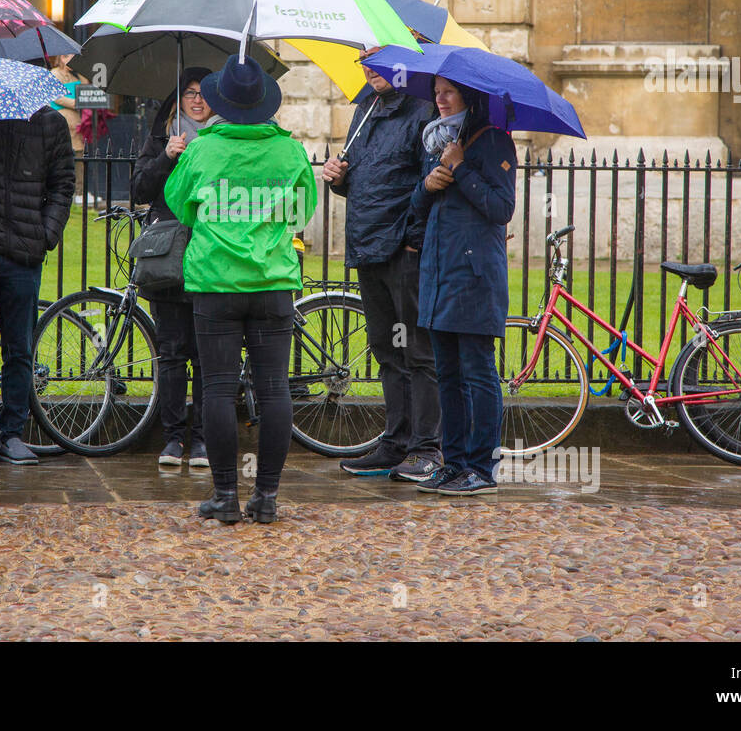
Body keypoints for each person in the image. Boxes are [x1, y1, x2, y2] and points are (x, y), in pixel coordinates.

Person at [164, 55, 318, 524]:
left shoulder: (202, 150)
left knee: (217, 389)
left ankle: (226, 495)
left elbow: (179, 204)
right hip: (272, 283)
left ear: (220, 103)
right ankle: (266, 496)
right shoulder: (289, 152)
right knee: (274, 391)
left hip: (216, 283)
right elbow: (301, 211)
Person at [322, 50, 442, 482]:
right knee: (387, 351)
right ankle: (395, 441)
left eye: (376, 60)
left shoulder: (425, 110)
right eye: (362, 61)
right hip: (366, 247)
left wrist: (413, 243)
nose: (367, 69)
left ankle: (427, 446)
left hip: (403, 252)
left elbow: (430, 183)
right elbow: (362, 181)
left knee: (418, 352)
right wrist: (338, 178)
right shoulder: (365, 108)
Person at [408, 76, 516, 497]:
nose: (439, 98)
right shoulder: (436, 143)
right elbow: (419, 207)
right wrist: (427, 185)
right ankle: (452, 463)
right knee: (446, 375)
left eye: (448, 91)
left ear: (468, 97)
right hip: (438, 273)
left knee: (477, 373)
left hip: (473, 277)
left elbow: (500, 207)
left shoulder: (493, 141)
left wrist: (459, 168)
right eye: (436, 91)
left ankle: (481, 467)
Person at [0, 102, 76, 465]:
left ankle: (12, 433)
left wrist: (46, 235)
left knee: (19, 347)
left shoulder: (50, 123)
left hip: (24, 252)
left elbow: (62, 184)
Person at [131, 66, 215, 469]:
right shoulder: (165, 137)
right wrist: (167, 156)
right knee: (170, 352)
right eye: (190, 93)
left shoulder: (222, 138)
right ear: (178, 98)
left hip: (209, 254)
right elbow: (139, 190)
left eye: (204, 93)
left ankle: (201, 439)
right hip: (168, 256)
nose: (197, 101)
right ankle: (173, 437)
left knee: (205, 354)